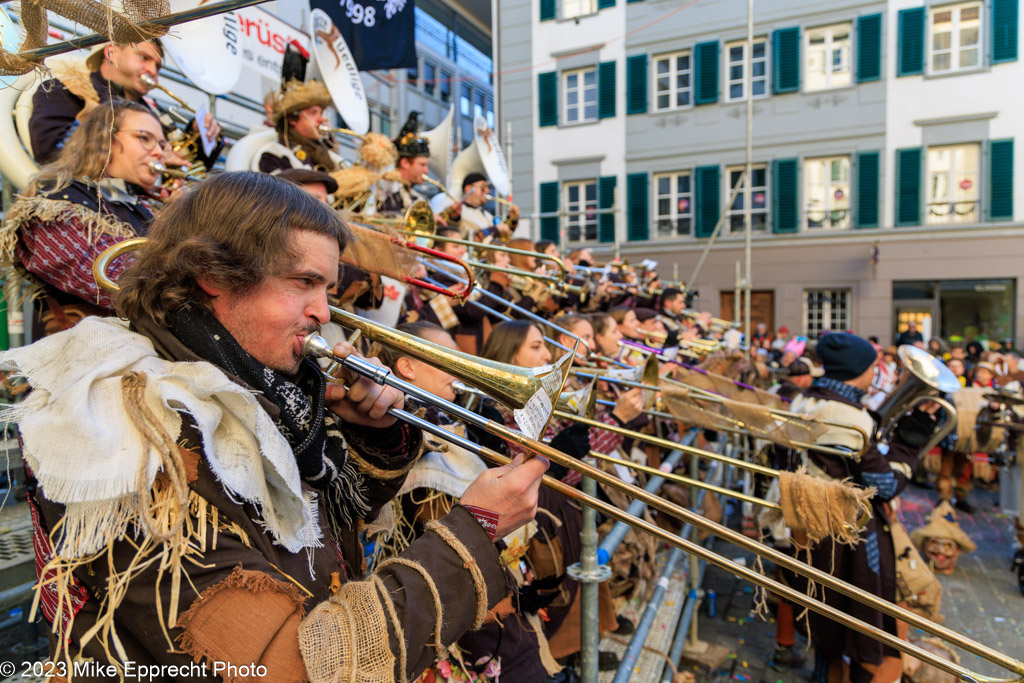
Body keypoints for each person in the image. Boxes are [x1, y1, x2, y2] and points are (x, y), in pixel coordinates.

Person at [5, 171, 549, 681]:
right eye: (304, 282)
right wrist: (471, 530)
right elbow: (290, 666)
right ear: (214, 276)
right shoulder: (131, 419)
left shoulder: (262, 386)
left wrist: (370, 435)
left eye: (328, 289)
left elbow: (325, 532)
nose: (323, 313)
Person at [374, 322, 564, 682]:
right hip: (466, 614)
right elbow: (453, 534)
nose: (458, 368)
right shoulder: (403, 434)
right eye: (446, 359)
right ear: (407, 368)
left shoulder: (447, 421)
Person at [783, 332, 939, 683]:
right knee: (860, 619)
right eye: (873, 366)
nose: (876, 373)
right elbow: (884, 486)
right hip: (850, 534)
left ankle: (825, 674)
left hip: (815, 526)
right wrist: (908, 446)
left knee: (827, 618)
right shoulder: (849, 417)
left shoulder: (808, 398)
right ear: (858, 370)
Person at [0, 101, 162, 336]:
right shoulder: (55, 201)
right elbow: (115, 281)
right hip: (92, 355)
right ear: (105, 139)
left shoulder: (143, 205)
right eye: (145, 138)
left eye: (162, 143)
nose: (159, 152)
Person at [30, 39, 222, 168]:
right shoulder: (64, 89)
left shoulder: (151, 110)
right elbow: (49, 150)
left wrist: (200, 135)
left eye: (157, 66)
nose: (152, 70)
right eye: (144, 58)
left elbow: (191, 165)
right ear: (111, 53)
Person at [256, 77, 340, 174]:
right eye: (313, 113)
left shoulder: (325, 153)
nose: (321, 119)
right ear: (293, 119)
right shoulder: (274, 154)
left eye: (321, 113)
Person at [441, 172, 520, 241]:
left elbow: (501, 238)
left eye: (488, 187)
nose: (487, 191)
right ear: (469, 188)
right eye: (483, 187)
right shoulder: (459, 211)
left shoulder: (487, 215)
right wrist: (496, 229)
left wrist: (512, 220)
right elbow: (471, 239)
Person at [380, 130, 430, 213]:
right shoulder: (387, 190)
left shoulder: (414, 196)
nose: (426, 171)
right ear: (405, 163)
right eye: (422, 165)